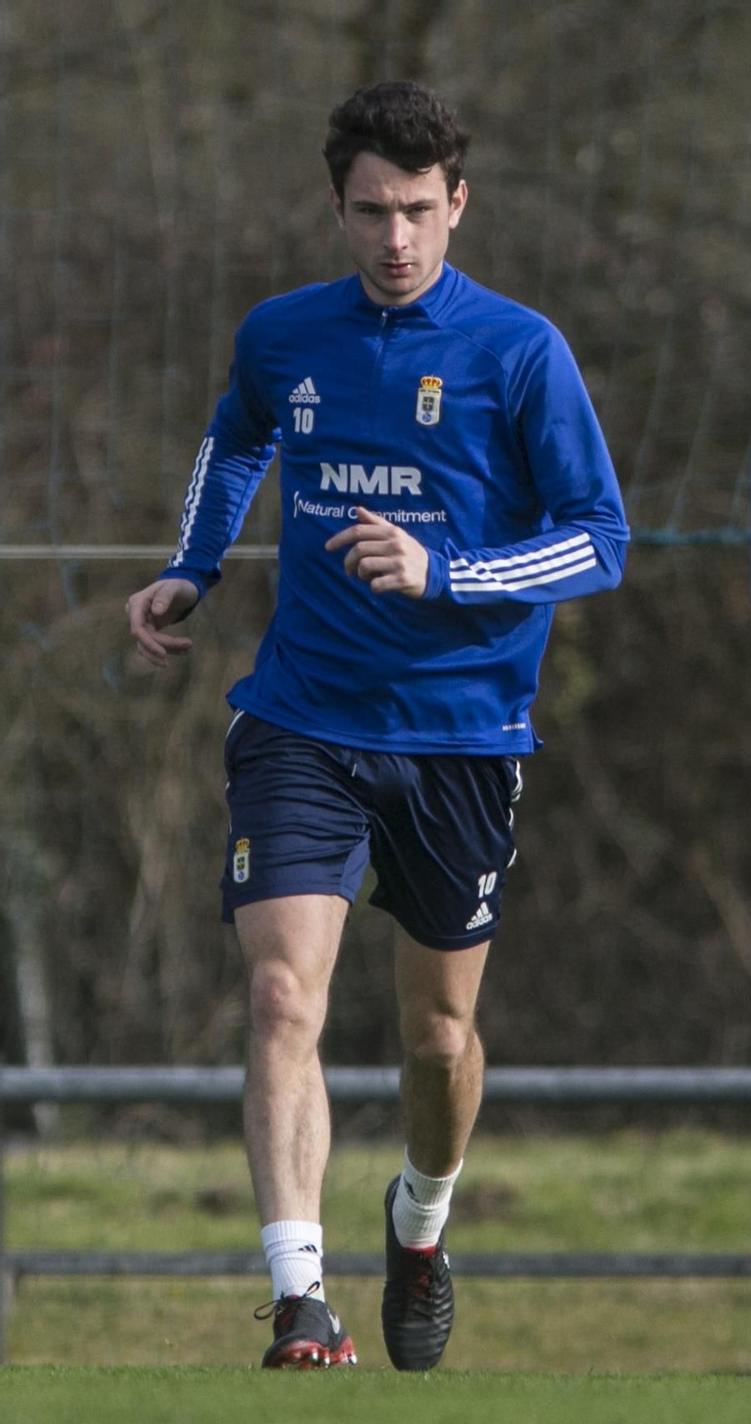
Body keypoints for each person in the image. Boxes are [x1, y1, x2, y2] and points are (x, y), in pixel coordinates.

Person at [124, 82, 628, 1370]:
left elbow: (597, 540)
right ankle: (301, 1296)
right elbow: (236, 436)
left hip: (464, 736)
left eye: (417, 210)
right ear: (335, 206)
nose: (394, 238)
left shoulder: (521, 352)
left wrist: (447, 569)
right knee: (283, 990)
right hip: (302, 716)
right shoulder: (286, 334)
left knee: (436, 1036)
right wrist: (197, 562)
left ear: (458, 201)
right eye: (369, 211)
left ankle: (420, 1219)